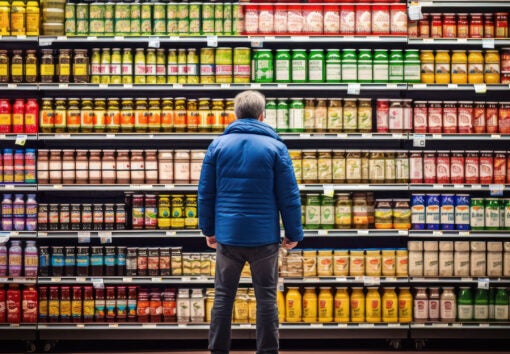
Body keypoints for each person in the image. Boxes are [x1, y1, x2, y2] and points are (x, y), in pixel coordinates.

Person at [198, 90, 304, 354]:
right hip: (263, 238)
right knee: (266, 297)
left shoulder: (218, 146)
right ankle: (268, 351)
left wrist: (208, 230)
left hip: (228, 236)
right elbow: (289, 196)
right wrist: (293, 233)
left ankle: (218, 350)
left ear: (235, 115)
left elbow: (205, 193)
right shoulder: (276, 147)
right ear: (262, 115)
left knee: (223, 296)